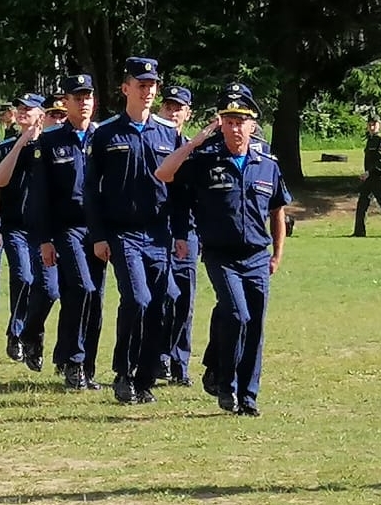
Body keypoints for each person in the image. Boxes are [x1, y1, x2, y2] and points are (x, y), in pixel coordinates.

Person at [156, 84, 291, 417]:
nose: (235, 127)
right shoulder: (205, 159)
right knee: (236, 314)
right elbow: (163, 173)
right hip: (220, 255)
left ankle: (248, 395)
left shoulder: (266, 162)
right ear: (220, 122)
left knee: (255, 324)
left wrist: (277, 253)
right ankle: (224, 382)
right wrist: (195, 141)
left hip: (258, 255)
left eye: (240, 121)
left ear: (252, 124)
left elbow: (278, 211)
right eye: (228, 120)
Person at [85, 58, 184, 404]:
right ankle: (123, 373)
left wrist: (182, 232)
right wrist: (98, 235)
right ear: (125, 88)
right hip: (123, 233)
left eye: (152, 85)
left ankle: (145, 379)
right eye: (140, 84)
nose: (147, 91)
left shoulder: (168, 133)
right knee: (137, 299)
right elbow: (90, 190)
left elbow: (180, 190)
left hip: (159, 234)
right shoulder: (106, 133)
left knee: (164, 302)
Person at [24, 74, 101, 389]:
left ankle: (84, 366)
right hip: (66, 229)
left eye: (87, 97)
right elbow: (40, 197)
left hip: (97, 229)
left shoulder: (103, 137)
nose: (83, 103)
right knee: (82, 289)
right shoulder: (50, 141)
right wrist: (44, 239)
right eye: (76, 98)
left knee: (91, 298)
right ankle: (74, 361)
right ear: (65, 102)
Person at [0, 92, 47, 362]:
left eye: (30, 109)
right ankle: (15, 332)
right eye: (21, 108)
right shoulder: (6, 147)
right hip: (16, 227)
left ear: (41, 116)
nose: (23, 112)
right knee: (23, 277)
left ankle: (33, 334)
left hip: (45, 229)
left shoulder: (49, 146)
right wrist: (22, 142)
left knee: (48, 288)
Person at [157, 85, 198, 386]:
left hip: (188, 232)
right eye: (168, 106)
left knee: (184, 298)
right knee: (161, 295)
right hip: (155, 229)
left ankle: (179, 363)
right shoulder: (151, 143)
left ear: (188, 113)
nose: (172, 112)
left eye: (178, 107)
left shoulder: (195, 150)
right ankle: (157, 357)